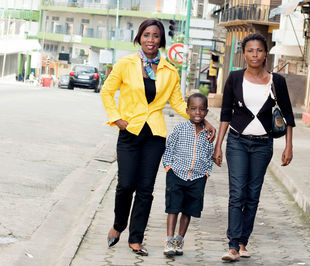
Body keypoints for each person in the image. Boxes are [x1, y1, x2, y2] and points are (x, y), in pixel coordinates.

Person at [100, 19, 215, 256]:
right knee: (125, 185)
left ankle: (136, 239)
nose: (151, 40)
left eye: (155, 36)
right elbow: (107, 91)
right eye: (146, 35)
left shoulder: (169, 71)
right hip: (129, 133)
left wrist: (201, 119)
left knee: (145, 188)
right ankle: (118, 225)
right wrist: (116, 118)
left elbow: (177, 103)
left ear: (161, 40)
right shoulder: (125, 64)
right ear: (139, 38)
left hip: (154, 136)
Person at [213, 33, 295, 262]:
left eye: (259, 50)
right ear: (244, 53)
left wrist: (288, 146)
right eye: (250, 50)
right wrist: (218, 145)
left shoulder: (276, 81)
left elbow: (288, 115)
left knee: (252, 194)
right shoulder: (235, 78)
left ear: (265, 54)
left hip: (263, 145)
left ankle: (242, 242)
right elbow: (225, 114)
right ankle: (232, 246)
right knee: (237, 193)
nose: (255, 55)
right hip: (238, 141)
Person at [161, 93, 214, 257]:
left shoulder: (208, 133)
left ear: (206, 112)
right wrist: (168, 168)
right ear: (187, 110)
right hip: (176, 174)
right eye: (193, 109)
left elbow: (209, 154)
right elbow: (168, 148)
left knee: (188, 210)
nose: (197, 112)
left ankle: (179, 240)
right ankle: (169, 240)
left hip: (197, 178)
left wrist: (206, 173)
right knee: (173, 208)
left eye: (201, 109)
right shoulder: (179, 129)